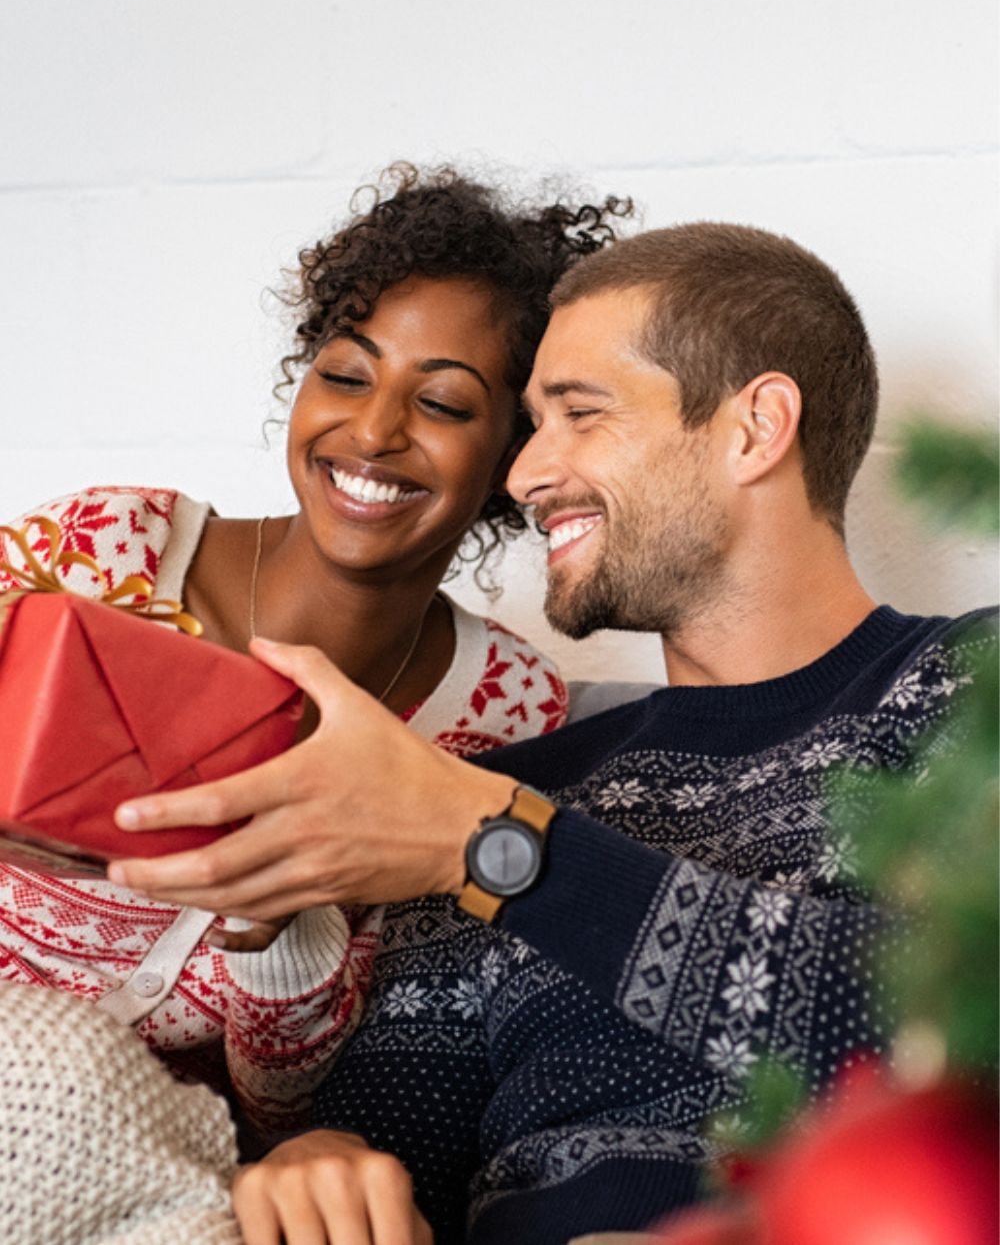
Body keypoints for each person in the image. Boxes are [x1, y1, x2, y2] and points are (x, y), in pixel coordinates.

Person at [108, 222, 995, 1244]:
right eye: (528, 425)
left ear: (755, 428)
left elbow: (960, 1022)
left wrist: (503, 849)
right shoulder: (504, 785)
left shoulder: (967, 691)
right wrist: (321, 1162)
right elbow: (392, 1148)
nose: (525, 475)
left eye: (579, 414)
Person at [0, 163, 629, 1145]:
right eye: (345, 375)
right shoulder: (99, 550)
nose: (373, 432)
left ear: (516, 450)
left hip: (154, 1172)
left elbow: (294, 1106)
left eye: (446, 405)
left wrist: (278, 923)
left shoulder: (507, 712)